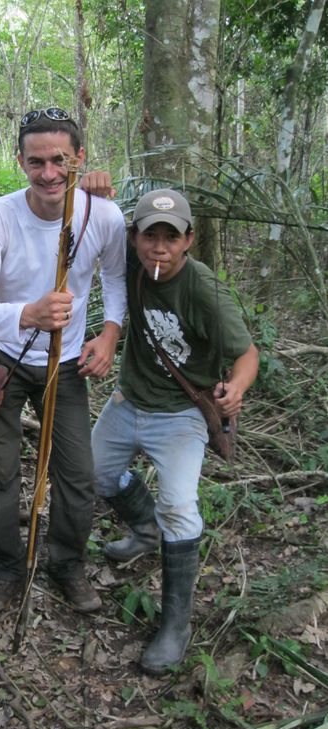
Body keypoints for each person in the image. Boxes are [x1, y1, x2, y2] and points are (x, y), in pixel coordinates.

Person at [0, 107, 127, 613]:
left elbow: (115, 276)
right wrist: (26, 314)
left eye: (59, 160)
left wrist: (110, 333)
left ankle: (66, 564)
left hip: (66, 364)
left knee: (77, 474)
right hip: (2, 361)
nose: (48, 173)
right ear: (21, 162)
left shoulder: (102, 215)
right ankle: (7, 566)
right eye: (36, 161)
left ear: (79, 159)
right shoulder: (1, 217)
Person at [91, 188, 259, 675]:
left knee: (179, 509)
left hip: (183, 413)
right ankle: (144, 530)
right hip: (129, 400)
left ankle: (175, 624)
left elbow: (247, 354)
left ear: (189, 239)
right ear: (135, 238)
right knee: (98, 476)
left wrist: (237, 388)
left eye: (170, 237)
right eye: (150, 236)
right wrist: (89, 184)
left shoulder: (203, 290)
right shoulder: (131, 257)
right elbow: (92, 218)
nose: (158, 248)